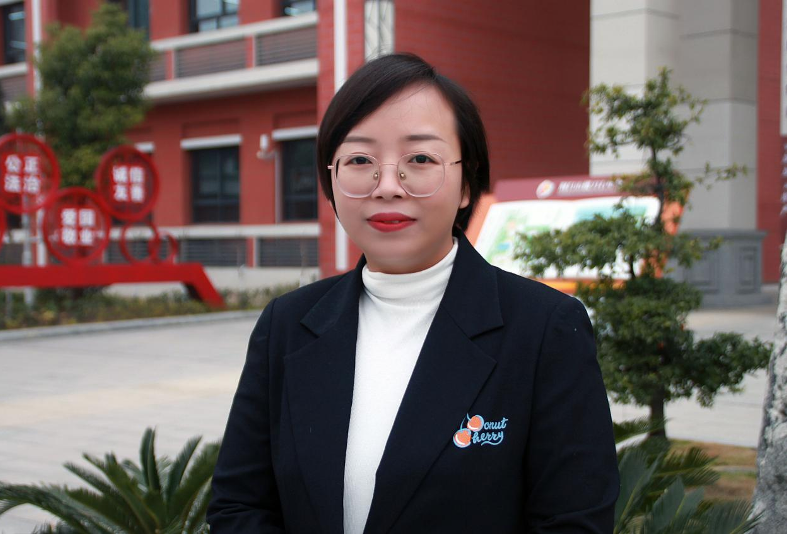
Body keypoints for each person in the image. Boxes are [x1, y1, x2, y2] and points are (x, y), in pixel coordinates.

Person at [206, 53, 619, 534]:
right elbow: (238, 506)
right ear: (331, 180)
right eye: (360, 160)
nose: (387, 186)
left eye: (420, 159)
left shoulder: (546, 328)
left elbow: (574, 521)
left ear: (467, 184)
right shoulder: (287, 324)